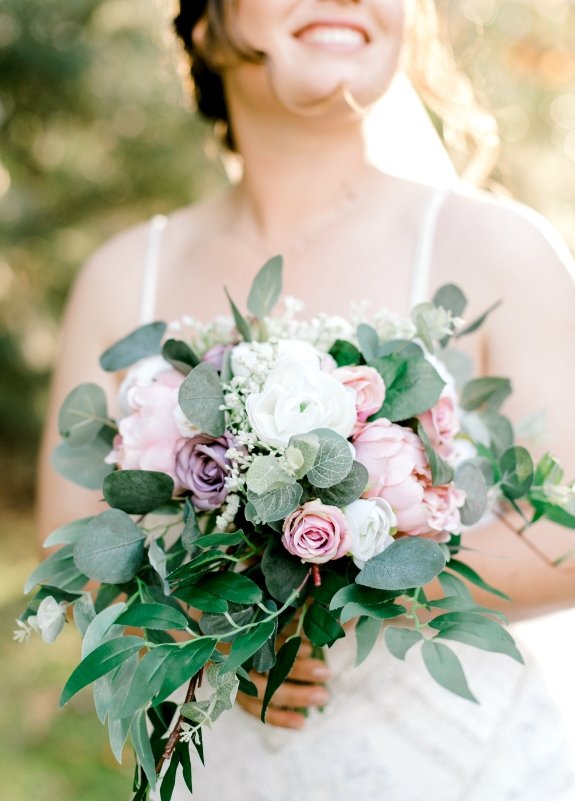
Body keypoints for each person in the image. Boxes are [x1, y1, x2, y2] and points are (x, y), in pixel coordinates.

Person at [37, 0, 575, 798]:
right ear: (203, 21)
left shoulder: (496, 248)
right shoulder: (124, 274)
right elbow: (72, 552)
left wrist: (315, 592)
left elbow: (563, 537)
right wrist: (204, 633)